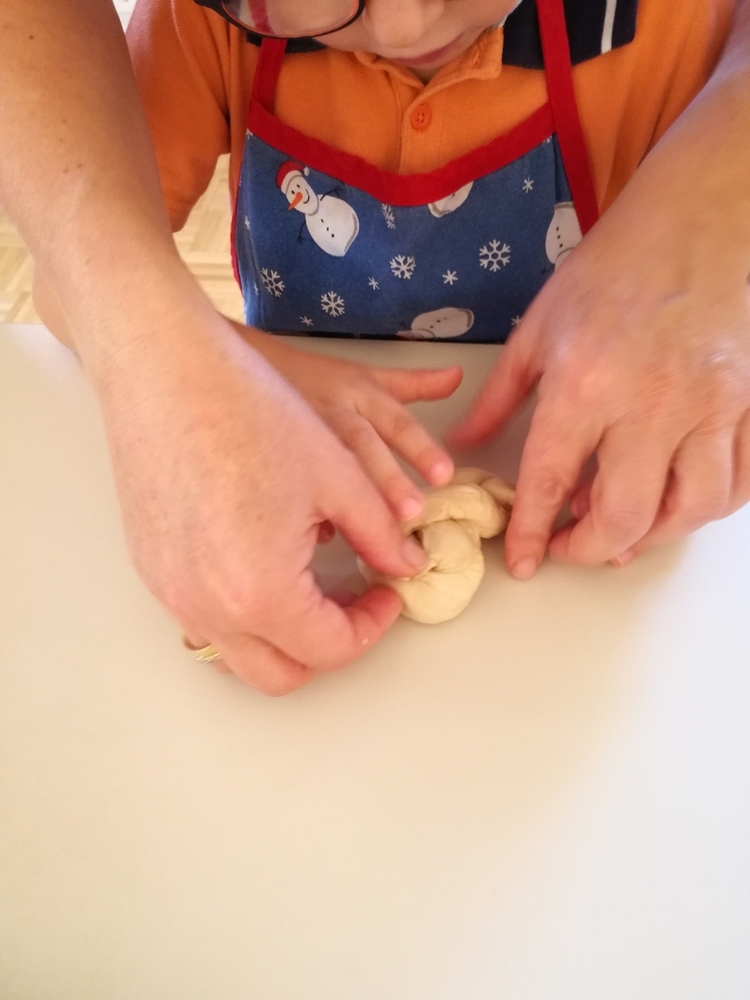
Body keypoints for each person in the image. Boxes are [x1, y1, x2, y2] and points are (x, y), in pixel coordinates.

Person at [3, 0, 749, 694]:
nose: (402, 27)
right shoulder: (204, 29)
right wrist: (196, 369)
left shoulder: (668, 28)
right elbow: (67, 289)